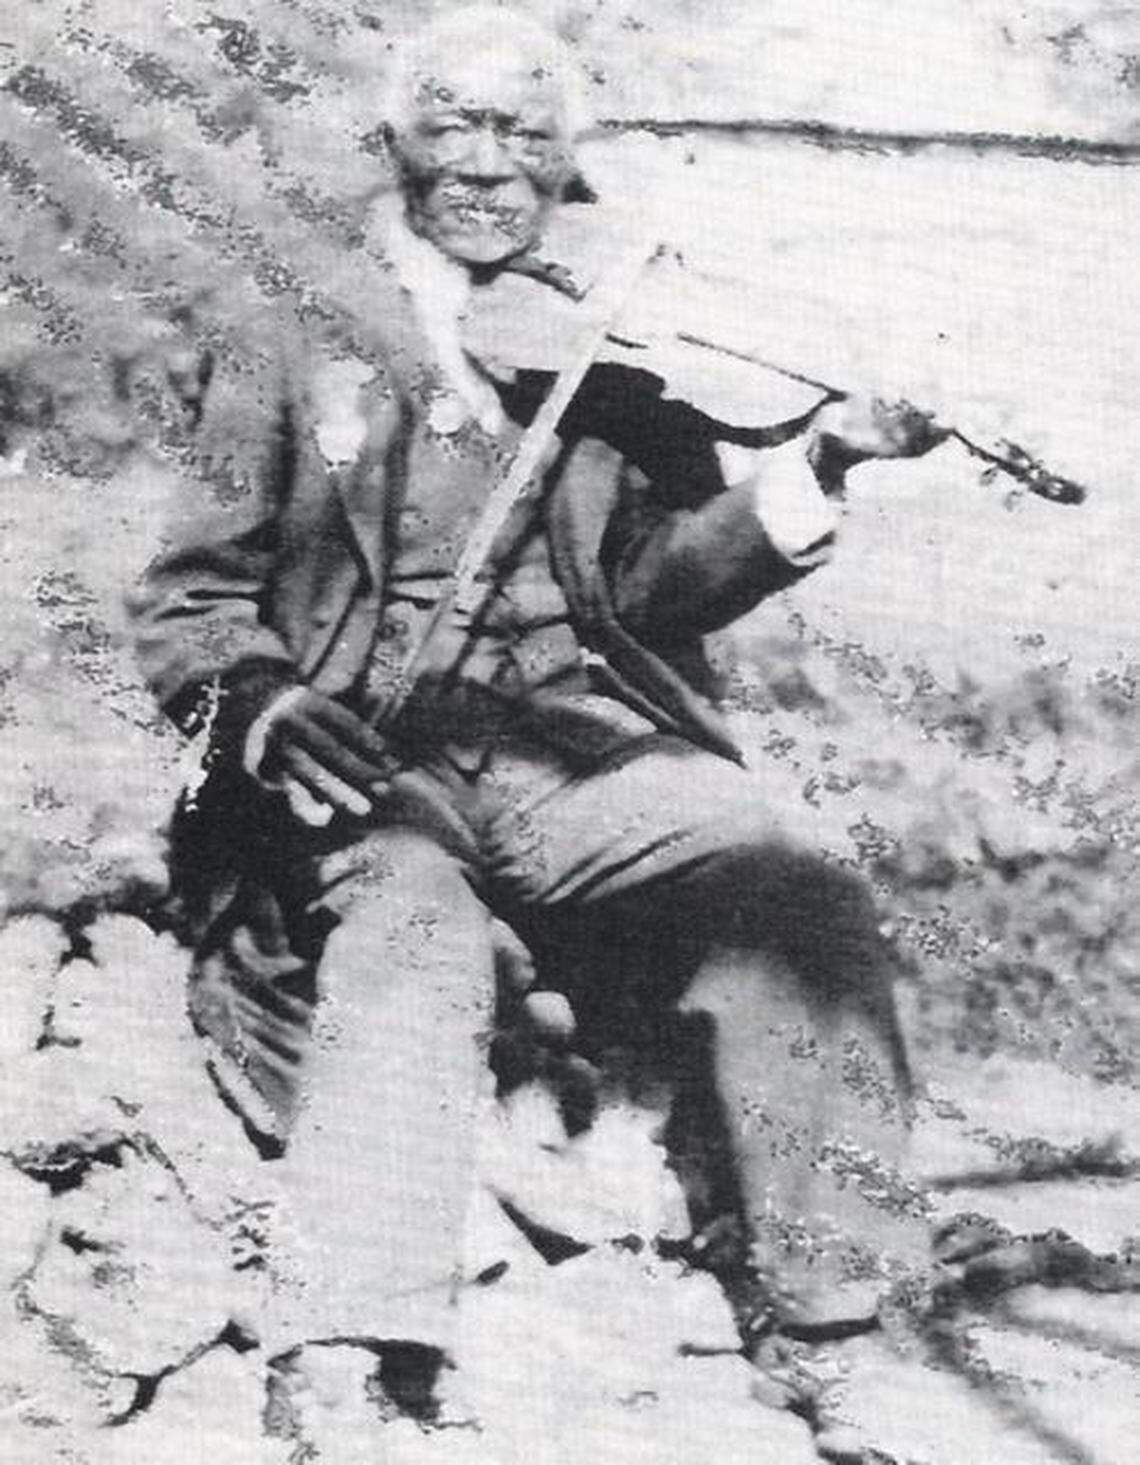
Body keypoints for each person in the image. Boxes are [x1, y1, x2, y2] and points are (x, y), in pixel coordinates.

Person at [129, 7, 943, 1459]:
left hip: (583, 749)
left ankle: (832, 1323)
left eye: (527, 137)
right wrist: (261, 705)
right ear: (394, 139)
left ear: (572, 159)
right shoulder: (286, 320)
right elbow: (191, 601)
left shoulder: (612, 322)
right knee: (408, 934)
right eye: (455, 127)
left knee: (797, 887)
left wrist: (805, 473)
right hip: (376, 761)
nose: (490, 170)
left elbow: (650, 590)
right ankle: (344, 1343)